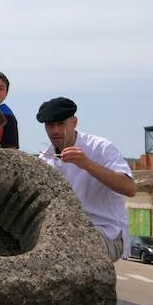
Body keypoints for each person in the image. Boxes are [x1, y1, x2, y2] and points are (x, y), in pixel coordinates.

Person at [37, 97, 136, 262]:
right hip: (66, 232)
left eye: (61, 124)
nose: (55, 130)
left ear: (74, 122)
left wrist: (87, 164)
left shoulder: (101, 148)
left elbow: (130, 188)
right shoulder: (45, 159)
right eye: (50, 125)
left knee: (71, 249)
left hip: (106, 232)